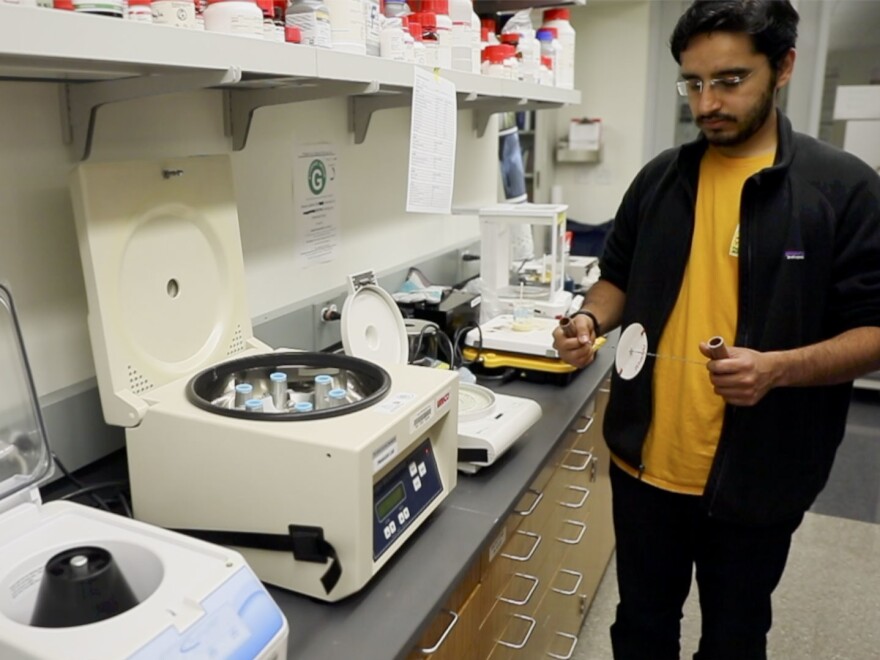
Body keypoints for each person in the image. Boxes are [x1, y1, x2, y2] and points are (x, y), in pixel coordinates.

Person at [552, 1, 880, 659]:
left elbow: (873, 329)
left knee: (733, 637)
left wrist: (777, 369)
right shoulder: (659, 182)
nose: (707, 103)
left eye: (730, 80)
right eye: (693, 83)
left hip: (761, 472)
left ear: (783, 66)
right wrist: (589, 319)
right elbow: (615, 276)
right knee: (641, 625)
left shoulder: (840, 190)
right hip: (644, 462)